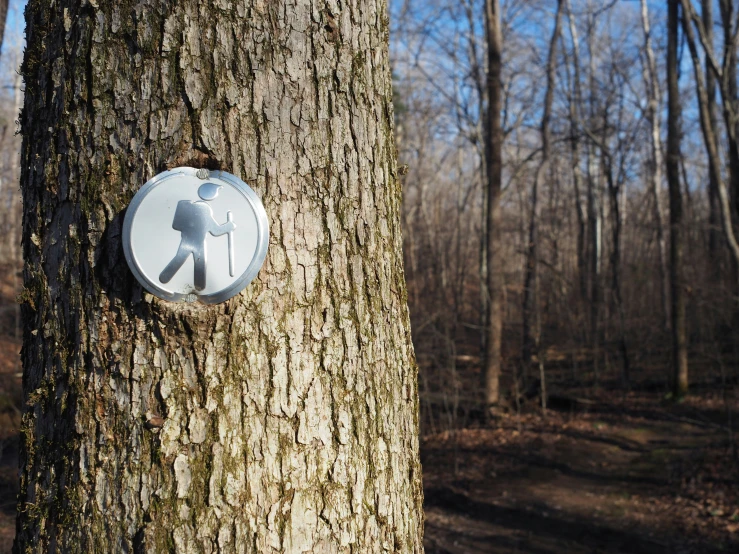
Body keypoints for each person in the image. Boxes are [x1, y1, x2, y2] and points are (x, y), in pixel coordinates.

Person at [159, 182, 236, 290]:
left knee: (186, 260)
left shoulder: (194, 210)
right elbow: (216, 230)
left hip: (189, 241)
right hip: (195, 242)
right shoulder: (203, 210)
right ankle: (198, 286)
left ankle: (167, 278)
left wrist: (229, 227)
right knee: (196, 262)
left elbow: (215, 230)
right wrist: (229, 226)